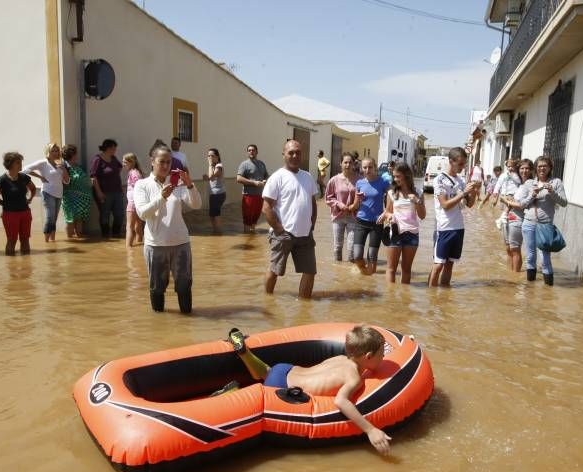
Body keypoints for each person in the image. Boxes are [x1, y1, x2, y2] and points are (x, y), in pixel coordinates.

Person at [224, 325, 392, 455]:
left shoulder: (340, 358)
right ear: (368, 357)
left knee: (267, 372)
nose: (384, 357)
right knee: (259, 395)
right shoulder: (354, 377)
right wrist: (370, 430)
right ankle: (234, 393)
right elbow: (341, 401)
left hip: (284, 370)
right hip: (282, 388)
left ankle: (244, 353)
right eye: (381, 354)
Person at [133, 145, 201, 313]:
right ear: (152, 162)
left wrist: (190, 185)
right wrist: (161, 197)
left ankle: (187, 325)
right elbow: (142, 213)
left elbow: (197, 204)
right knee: (157, 289)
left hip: (181, 243)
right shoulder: (142, 184)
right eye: (161, 162)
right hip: (155, 245)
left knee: (184, 287)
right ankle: (158, 324)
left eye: (168, 162)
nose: (165, 166)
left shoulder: (177, 183)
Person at [262, 140, 319, 299]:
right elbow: (266, 208)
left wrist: (311, 224)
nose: (295, 156)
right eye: (291, 152)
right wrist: (280, 230)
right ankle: (267, 302)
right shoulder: (277, 177)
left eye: (298, 153)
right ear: (284, 154)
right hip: (283, 234)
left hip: (305, 235)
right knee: (275, 271)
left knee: (310, 271)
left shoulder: (307, 176)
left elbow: (313, 203)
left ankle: (304, 306)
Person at [427, 147, 479, 287]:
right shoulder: (439, 179)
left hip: (458, 228)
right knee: (438, 266)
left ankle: (443, 298)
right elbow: (444, 205)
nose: (463, 167)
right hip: (443, 228)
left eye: (464, 164)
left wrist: (473, 191)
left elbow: (469, 205)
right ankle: (431, 298)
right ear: (451, 161)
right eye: (460, 164)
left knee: (450, 265)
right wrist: (463, 193)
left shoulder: (461, 181)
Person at [515, 155, 567, 286]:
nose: (542, 168)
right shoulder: (529, 183)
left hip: (545, 225)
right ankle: (529, 288)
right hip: (528, 223)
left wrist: (552, 192)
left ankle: (548, 292)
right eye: (539, 166)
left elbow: (564, 203)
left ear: (550, 168)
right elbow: (522, 204)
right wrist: (532, 195)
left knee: (545, 258)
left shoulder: (556, 182)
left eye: (545, 166)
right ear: (536, 169)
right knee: (530, 256)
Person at [380, 163, 426, 284]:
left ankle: (404, 300)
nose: (395, 179)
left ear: (407, 176)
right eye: (394, 176)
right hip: (395, 233)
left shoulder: (418, 193)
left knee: (406, 269)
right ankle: (391, 300)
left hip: (412, 234)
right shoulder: (391, 193)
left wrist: (417, 201)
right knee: (391, 269)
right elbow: (387, 212)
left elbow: (422, 216)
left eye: (398, 176)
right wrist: (389, 217)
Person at [0, 152, 37, 255]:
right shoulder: (2, 180)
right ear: (10, 164)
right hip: (10, 214)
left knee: (25, 239)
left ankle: (27, 266)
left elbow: (33, 189)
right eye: (18, 163)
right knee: (12, 240)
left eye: (20, 162)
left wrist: (30, 198)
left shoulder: (24, 178)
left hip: (25, 212)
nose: (21, 165)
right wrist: (4, 204)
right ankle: (11, 268)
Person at [350, 157, 389, 275]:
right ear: (361, 169)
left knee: (372, 256)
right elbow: (356, 205)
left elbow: (393, 197)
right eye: (365, 167)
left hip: (377, 223)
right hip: (361, 222)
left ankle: (369, 280)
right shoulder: (359, 183)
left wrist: (387, 212)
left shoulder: (383, 182)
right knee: (357, 256)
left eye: (370, 167)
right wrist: (347, 207)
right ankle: (363, 273)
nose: (367, 170)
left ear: (375, 168)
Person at [23, 143, 70, 243]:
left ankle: (53, 240)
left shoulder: (61, 164)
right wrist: (40, 177)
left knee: (55, 218)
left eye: (57, 150)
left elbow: (67, 181)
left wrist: (64, 169)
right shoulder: (43, 162)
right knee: (50, 217)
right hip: (48, 193)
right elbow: (25, 170)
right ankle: (46, 242)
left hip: (59, 193)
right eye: (53, 150)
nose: (55, 152)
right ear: (48, 152)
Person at [324, 153, 359, 262]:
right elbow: (328, 198)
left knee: (352, 248)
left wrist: (356, 205)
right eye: (345, 162)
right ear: (341, 164)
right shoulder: (334, 180)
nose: (348, 165)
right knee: (337, 247)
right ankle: (338, 271)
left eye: (350, 162)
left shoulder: (360, 180)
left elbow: (365, 196)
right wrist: (339, 204)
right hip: (338, 217)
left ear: (354, 164)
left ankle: (350, 272)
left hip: (354, 217)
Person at [498, 159, 529, 272]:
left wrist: (506, 200)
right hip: (507, 217)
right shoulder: (517, 183)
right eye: (522, 168)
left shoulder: (529, 184)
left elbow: (522, 205)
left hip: (517, 218)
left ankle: (515, 277)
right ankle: (510, 275)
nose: (524, 171)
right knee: (508, 248)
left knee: (515, 249)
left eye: (527, 169)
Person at [90, 139, 123, 238]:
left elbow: (120, 167)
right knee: (105, 215)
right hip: (104, 192)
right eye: (113, 148)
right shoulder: (97, 159)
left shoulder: (113, 158)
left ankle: (116, 235)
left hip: (117, 191)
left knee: (120, 214)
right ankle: (106, 236)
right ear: (108, 148)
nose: (115, 150)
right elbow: (93, 177)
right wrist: (99, 192)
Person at [61, 144, 91, 239]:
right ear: (72, 154)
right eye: (76, 153)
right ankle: (70, 238)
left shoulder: (77, 166)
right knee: (70, 219)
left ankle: (79, 236)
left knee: (79, 218)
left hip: (82, 199)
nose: (77, 155)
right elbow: (66, 181)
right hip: (70, 198)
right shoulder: (65, 167)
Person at [236, 144, 269, 233]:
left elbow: (266, 175)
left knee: (255, 218)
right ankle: (246, 239)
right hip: (248, 196)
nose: (251, 152)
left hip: (259, 196)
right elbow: (238, 178)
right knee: (247, 220)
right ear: (247, 152)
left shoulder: (261, 163)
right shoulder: (244, 164)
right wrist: (254, 183)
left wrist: (265, 180)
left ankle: (252, 238)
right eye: (249, 150)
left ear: (257, 152)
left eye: (253, 150)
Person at [123, 153, 146, 247]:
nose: (123, 164)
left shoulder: (133, 173)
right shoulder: (137, 172)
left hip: (133, 203)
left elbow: (138, 187)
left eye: (125, 162)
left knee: (129, 227)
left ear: (131, 162)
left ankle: (128, 248)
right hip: (139, 204)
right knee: (138, 226)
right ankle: (139, 243)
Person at [202, 148, 226, 234]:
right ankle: (216, 232)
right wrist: (207, 178)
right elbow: (210, 178)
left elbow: (212, 176)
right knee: (212, 215)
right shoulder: (213, 166)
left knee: (216, 214)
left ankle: (219, 233)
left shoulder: (219, 166)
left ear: (217, 156)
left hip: (218, 194)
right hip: (213, 194)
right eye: (208, 156)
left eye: (212, 155)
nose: (210, 157)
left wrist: (209, 164)